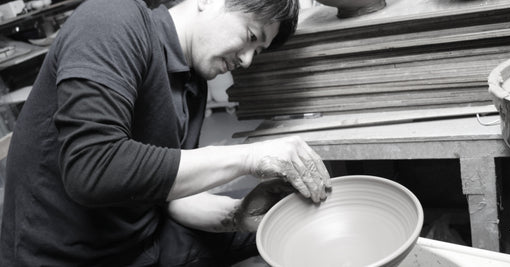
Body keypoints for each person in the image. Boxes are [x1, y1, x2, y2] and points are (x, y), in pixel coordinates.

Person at [0, 0, 331, 266]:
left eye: (257, 52)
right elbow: (93, 168)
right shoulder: (110, 17)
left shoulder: (193, 81)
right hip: (69, 254)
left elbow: (166, 194)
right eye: (250, 36)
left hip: (143, 239)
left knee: (281, 227)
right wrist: (250, 156)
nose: (246, 60)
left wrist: (236, 216)